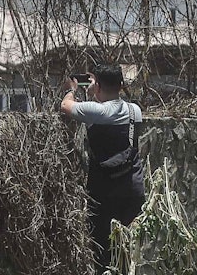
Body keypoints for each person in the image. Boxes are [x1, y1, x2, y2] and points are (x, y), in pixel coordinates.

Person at [60, 64, 145, 273]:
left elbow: (66, 106)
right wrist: (97, 90)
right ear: (122, 85)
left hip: (105, 192)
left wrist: (72, 88)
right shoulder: (135, 111)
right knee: (127, 247)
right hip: (133, 188)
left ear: (97, 85)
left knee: (102, 250)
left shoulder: (96, 111)